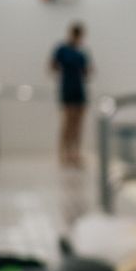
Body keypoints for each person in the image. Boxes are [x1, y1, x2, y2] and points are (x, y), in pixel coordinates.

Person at [49, 22, 91, 167]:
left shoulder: (81, 53)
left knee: (78, 124)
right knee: (67, 122)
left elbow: (87, 72)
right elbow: (52, 66)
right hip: (67, 89)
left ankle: (75, 153)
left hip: (79, 90)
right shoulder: (62, 50)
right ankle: (64, 153)